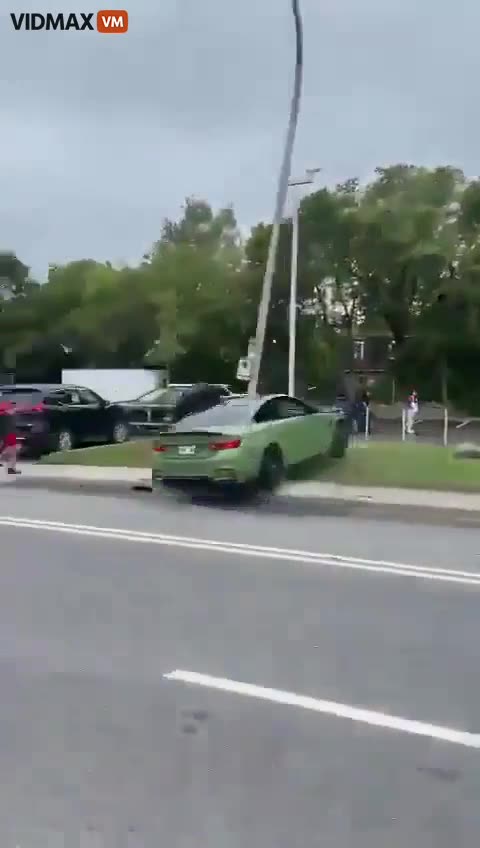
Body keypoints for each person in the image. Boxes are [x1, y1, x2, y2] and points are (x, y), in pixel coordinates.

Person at [0, 399, 21, 475]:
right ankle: (11, 468)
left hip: (7, 432)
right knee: (13, 449)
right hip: (8, 432)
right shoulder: (8, 414)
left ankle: (11, 468)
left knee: (12, 449)